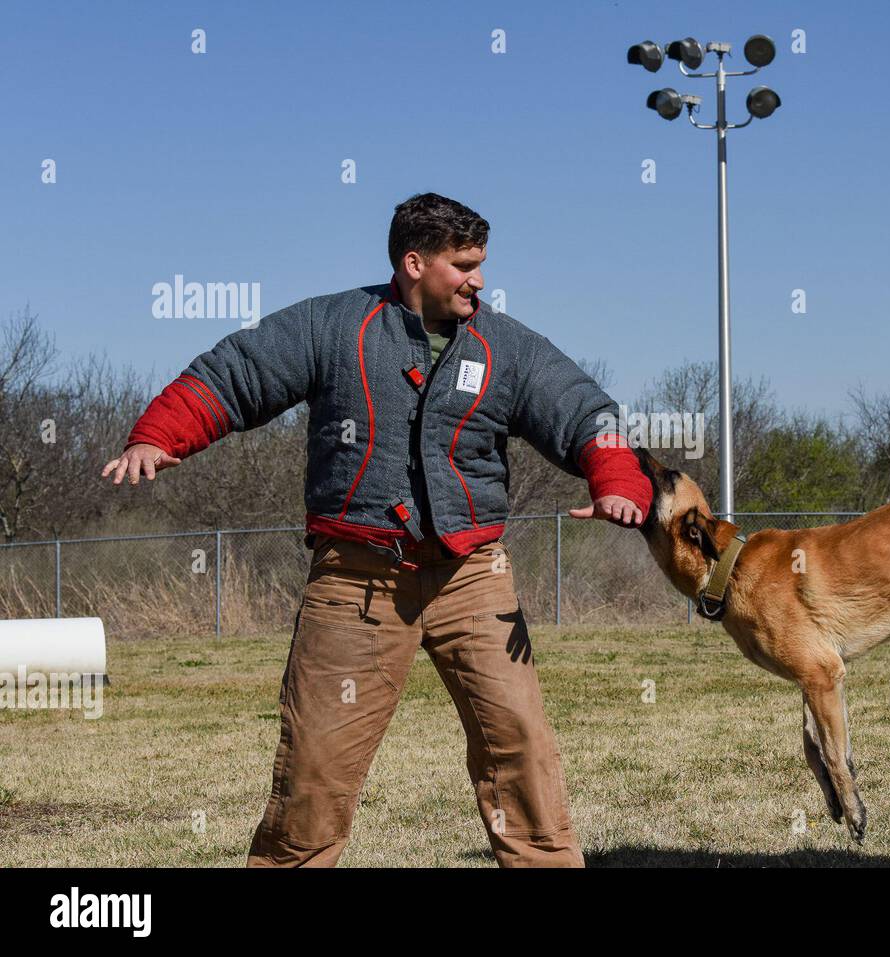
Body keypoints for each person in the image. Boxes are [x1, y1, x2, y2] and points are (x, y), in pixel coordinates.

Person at [103, 192, 652, 867]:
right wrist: (160, 436)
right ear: (414, 262)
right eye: (464, 265)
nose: (479, 279)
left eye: (481, 264)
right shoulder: (333, 326)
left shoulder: (506, 346)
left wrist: (618, 482)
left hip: (473, 576)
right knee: (316, 767)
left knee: (521, 748)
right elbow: (237, 372)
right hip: (355, 581)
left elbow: (581, 411)